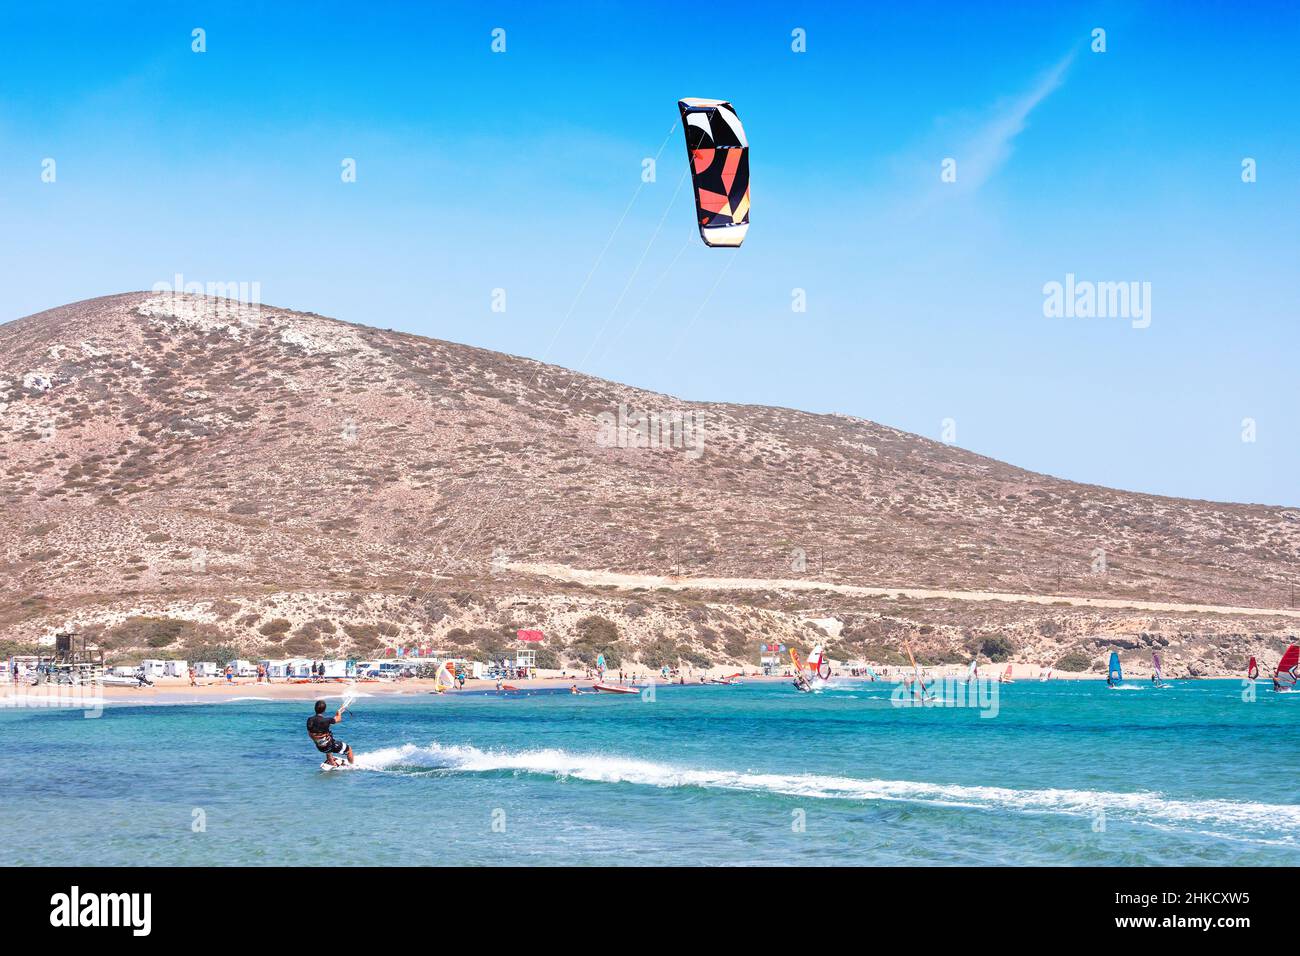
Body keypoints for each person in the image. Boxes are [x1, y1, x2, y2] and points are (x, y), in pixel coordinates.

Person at [307, 699, 353, 766]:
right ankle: (352, 766)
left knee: (326, 740)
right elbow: (338, 719)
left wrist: (329, 722)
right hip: (329, 746)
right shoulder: (327, 721)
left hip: (320, 747)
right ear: (324, 710)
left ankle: (331, 761)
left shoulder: (309, 720)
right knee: (349, 750)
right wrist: (339, 713)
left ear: (315, 709)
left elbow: (314, 730)